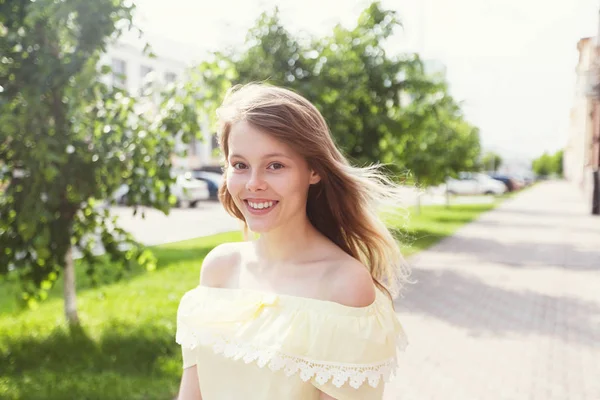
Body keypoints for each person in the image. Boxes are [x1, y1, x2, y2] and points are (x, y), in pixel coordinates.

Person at [175, 83, 409, 400]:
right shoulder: (219, 268)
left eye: (275, 165)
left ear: (313, 170)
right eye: (240, 165)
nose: (254, 184)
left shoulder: (344, 284)